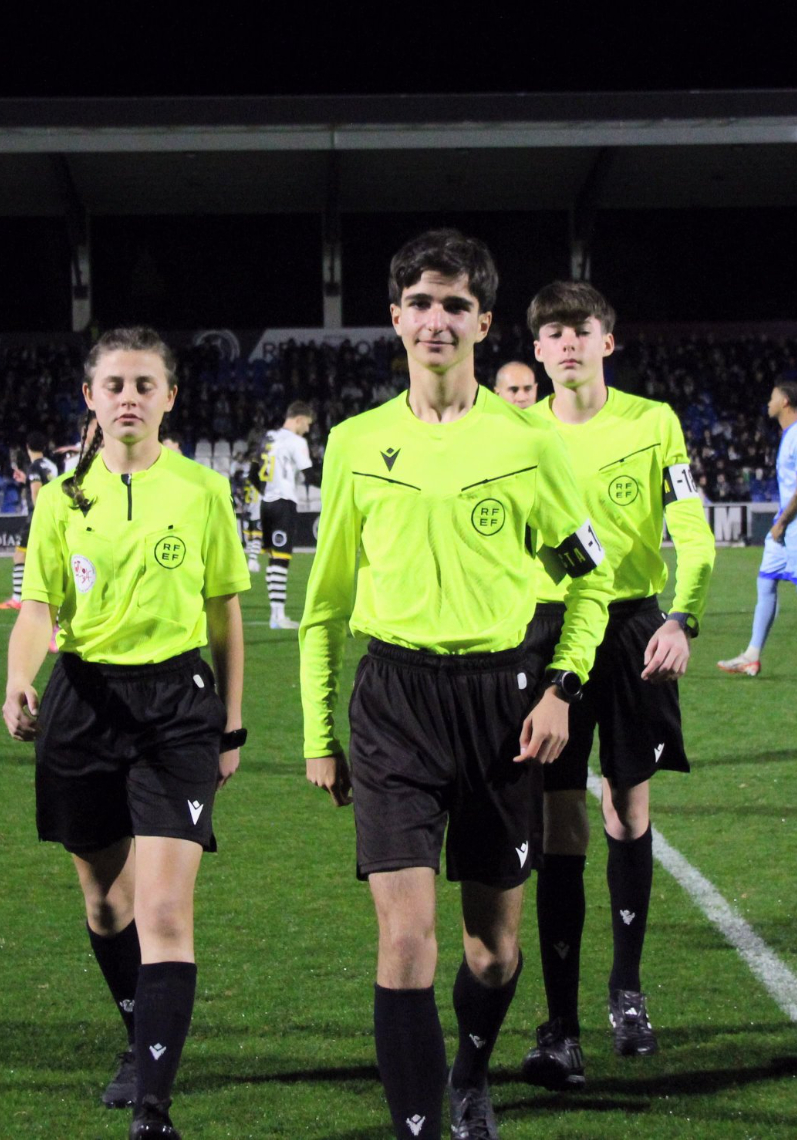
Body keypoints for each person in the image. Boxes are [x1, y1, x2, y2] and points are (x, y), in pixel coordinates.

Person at [299, 230, 610, 1140]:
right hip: (393, 701)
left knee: (491, 948)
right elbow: (324, 605)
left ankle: (470, 1069)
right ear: (395, 318)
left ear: (482, 320)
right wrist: (319, 733)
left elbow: (586, 579)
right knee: (404, 941)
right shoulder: (356, 445)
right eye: (421, 304)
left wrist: (560, 689)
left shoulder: (528, 445)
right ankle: (421, 1125)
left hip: (502, 705)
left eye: (455, 305)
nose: (437, 320)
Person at [1, 327, 249, 1140]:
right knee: (109, 909)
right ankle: (137, 1037)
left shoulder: (204, 491)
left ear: (171, 397)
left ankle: (153, 1103)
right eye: (114, 385)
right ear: (91, 398)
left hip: (177, 706)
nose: (130, 398)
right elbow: (38, 606)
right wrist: (19, 678)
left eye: (146, 384)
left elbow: (224, 613)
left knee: (165, 911)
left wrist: (234, 722)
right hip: (82, 703)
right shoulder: (59, 499)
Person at [516, 281, 714, 1091]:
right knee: (561, 820)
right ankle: (559, 1023)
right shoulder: (512, 432)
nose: (568, 343)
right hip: (546, 626)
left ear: (609, 341)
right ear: (536, 350)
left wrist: (684, 617)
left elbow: (692, 530)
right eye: (554, 333)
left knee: (628, 808)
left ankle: (625, 990)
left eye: (582, 330)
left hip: (634, 627)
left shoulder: (652, 422)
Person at [717, 381, 797, 682]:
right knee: (765, 583)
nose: (767, 403)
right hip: (786, 528)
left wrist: (781, 522)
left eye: (771, 398)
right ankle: (751, 657)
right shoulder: (791, 435)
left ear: (784, 401)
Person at [256, 402, 314, 630]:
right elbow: (309, 475)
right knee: (281, 558)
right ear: (299, 419)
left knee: (273, 558)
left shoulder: (268, 437)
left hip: (266, 502)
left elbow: (255, 469)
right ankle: (278, 617)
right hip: (283, 503)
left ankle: (276, 614)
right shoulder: (296, 441)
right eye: (307, 424)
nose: (308, 430)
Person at [0, 432, 61, 611]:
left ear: (27, 447)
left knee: (20, 555)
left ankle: (17, 598)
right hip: (54, 515)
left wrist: (39, 514)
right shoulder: (50, 465)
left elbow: (37, 492)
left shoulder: (34, 467)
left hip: (37, 518)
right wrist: (25, 480)